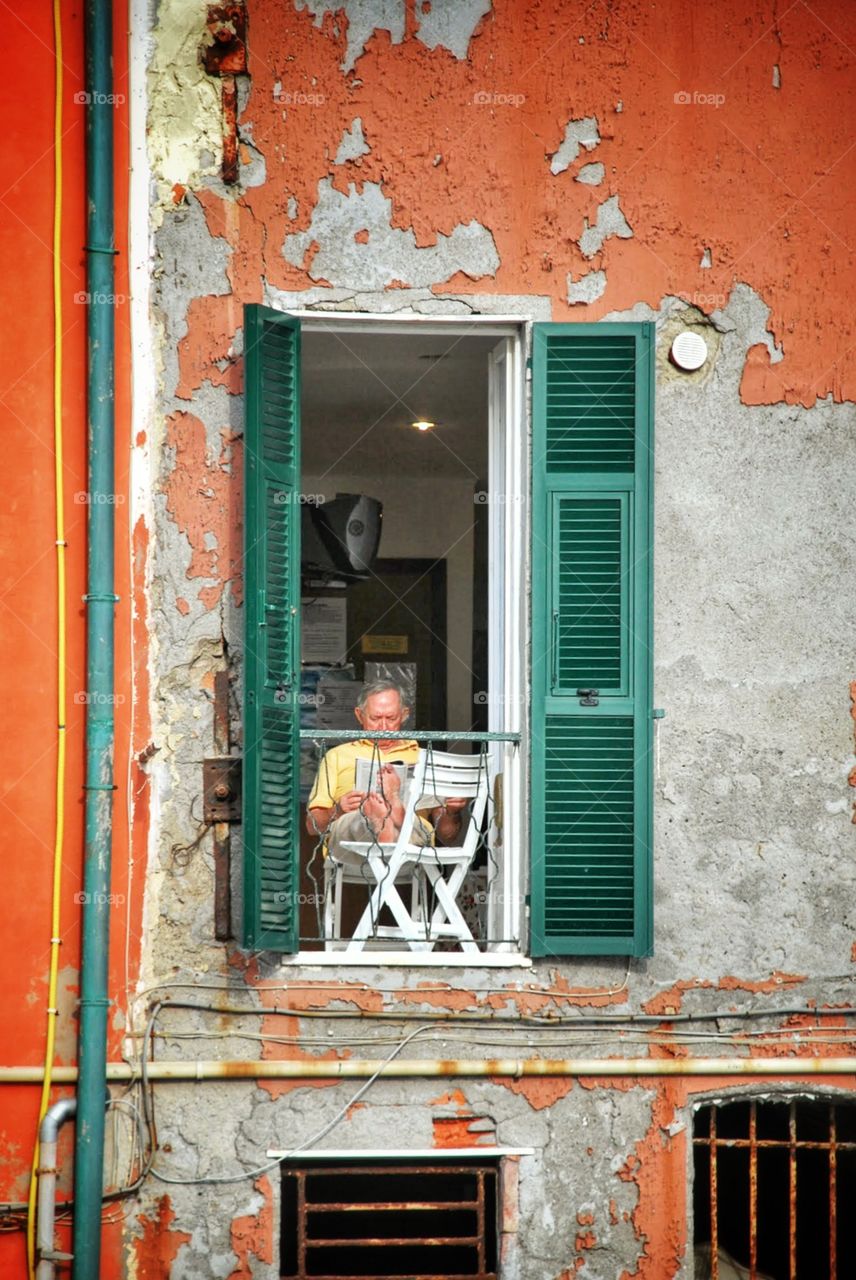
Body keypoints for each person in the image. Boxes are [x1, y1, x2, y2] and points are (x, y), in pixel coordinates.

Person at [306, 680, 468, 852]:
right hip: (353, 846)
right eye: (375, 718)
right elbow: (311, 826)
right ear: (359, 715)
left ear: (404, 714)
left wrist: (452, 812)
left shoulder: (423, 759)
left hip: (410, 842)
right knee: (359, 819)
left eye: (391, 718)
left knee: (411, 826)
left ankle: (388, 820)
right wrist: (338, 811)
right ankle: (387, 815)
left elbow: (447, 836)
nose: (383, 727)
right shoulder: (336, 756)